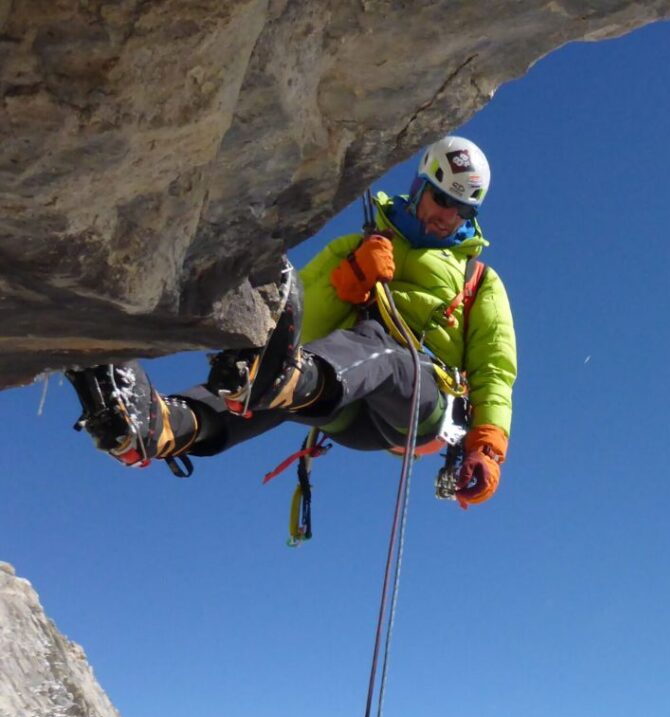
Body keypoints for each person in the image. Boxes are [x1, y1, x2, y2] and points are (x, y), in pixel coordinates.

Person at [68, 136, 517, 508]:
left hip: (418, 405)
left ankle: (282, 384)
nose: (447, 216)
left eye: (462, 210)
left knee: (379, 352)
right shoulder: (360, 244)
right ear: (421, 188)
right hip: (341, 397)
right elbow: (299, 325)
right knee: (272, 376)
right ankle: (162, 426)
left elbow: (494, 367)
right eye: (442, 199)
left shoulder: (478, 280)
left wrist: (488, 448)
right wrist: (349, 281)